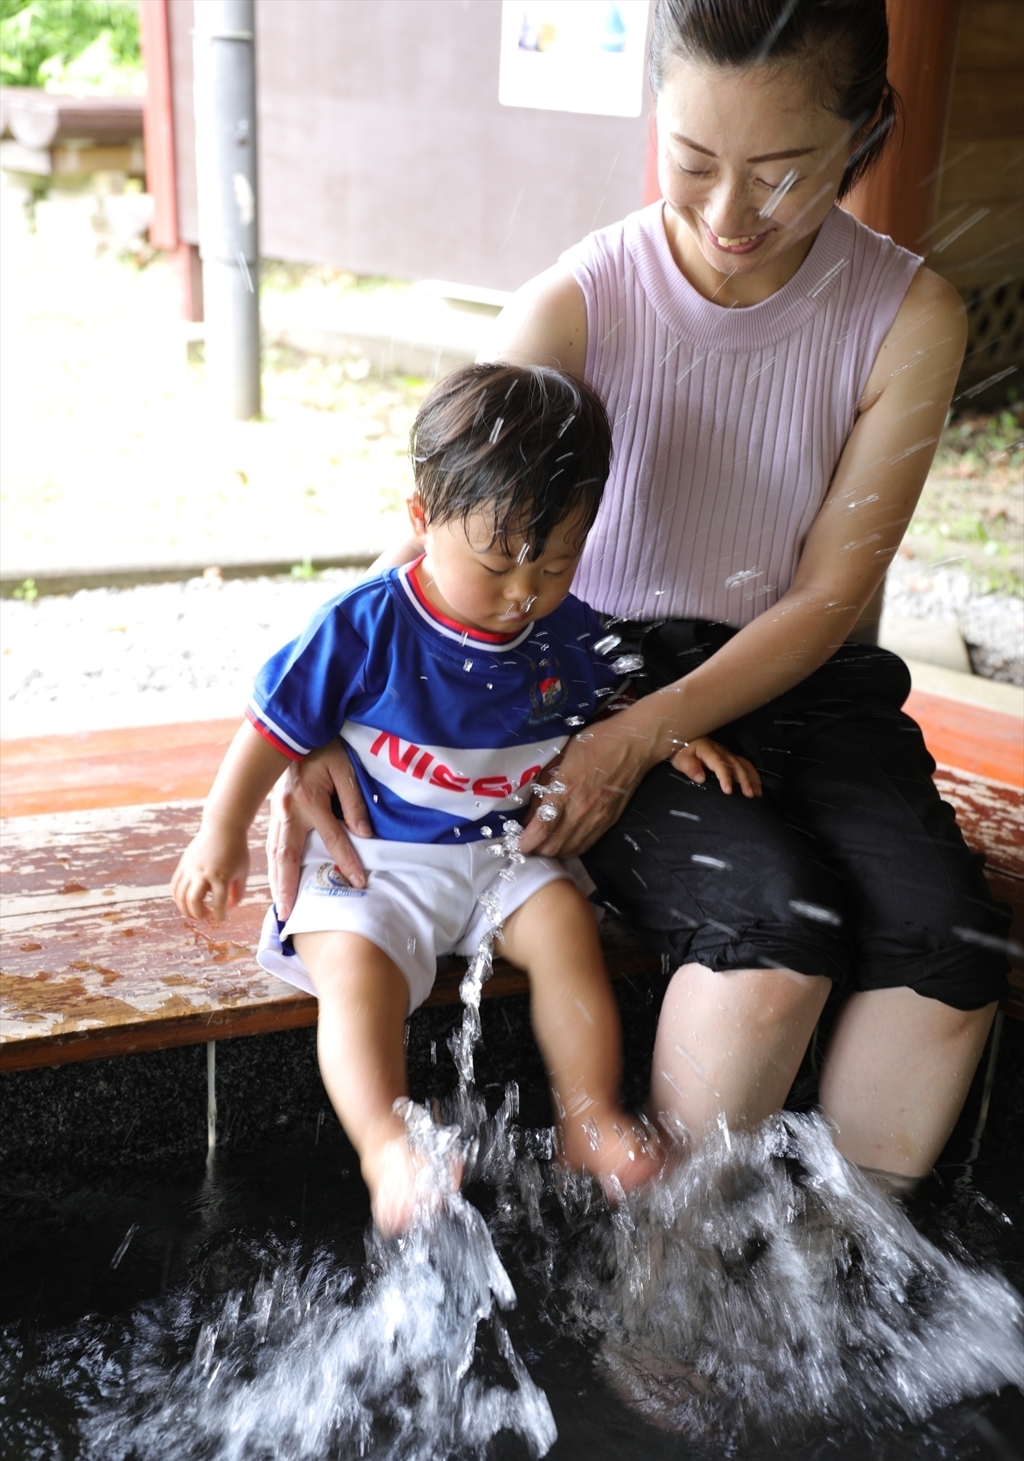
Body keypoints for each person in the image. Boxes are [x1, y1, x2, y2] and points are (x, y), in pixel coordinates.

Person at [265, 0, 1010, 1195]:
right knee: (775, 929)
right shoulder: (579, 302)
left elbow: (828, 597)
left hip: (795, 675)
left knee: (952, 941)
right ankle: (660, 1313)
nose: (727, 217)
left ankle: (842, 1282)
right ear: (653, 114)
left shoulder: (906, 314)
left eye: (780, 175)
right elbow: (441, 543)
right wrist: (303, 735)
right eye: (693, 162)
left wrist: (643, 736)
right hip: (589, 672)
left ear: (863, 131)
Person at [172, 362, 760, 1232]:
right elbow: (271, 729)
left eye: (557, 564)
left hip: (499, 857)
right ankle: (386, 1146)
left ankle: (588, 1117)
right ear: (421, 519)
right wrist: (217, 836)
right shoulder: (365, 624)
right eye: (496, 565)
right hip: (375, 860)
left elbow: (624, 697)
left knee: (565, 928)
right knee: (356, 979)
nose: (524, 593)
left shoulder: (567, 631)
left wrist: (676, 732)